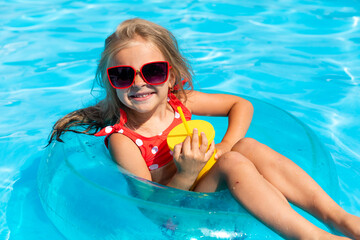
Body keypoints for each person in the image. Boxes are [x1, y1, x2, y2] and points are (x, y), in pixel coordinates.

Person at [48, 18, 360, 239]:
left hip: (202, 181)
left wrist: (225, 145)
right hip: (176, 211)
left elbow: (241, 105)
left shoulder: (180, 102)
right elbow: (151, 209)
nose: (139, 82)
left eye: (153, 71)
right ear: (111, 84)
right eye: (123, 75)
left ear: (170, 76)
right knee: (234, 161)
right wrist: (186, 171)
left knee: (245, 147)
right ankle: (311, 237)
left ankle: (338, 218)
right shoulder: (124, 141)